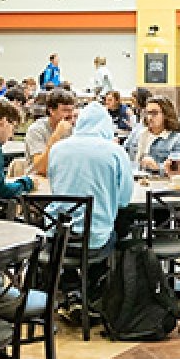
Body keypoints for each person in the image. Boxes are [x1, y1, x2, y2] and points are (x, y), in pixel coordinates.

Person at [48, 101, 134, 261]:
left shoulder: (57, 149)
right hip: (95, 241)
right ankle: (98, 282)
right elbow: (124, 200)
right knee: (121, 232)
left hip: (57, 238)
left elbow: (54, 188)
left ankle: (70, 279)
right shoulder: (116, 152)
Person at [130, 96, 180, 174]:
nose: (149, 117)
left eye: (154, 113)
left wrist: (157, 167)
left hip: (158, 182)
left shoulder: (177, 141)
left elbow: (177, 170)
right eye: (147, 113)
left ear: (166, 114)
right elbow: (124, 155)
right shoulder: (137, 133)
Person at [25, 89, 76, 175]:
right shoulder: (36, 130)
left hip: (62, 177)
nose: (71, 115)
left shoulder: (73, 129)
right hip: (38, 179)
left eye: (72, 110)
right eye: (65, 110)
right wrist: (57, 135)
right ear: (51, 110)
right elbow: (41, 168)